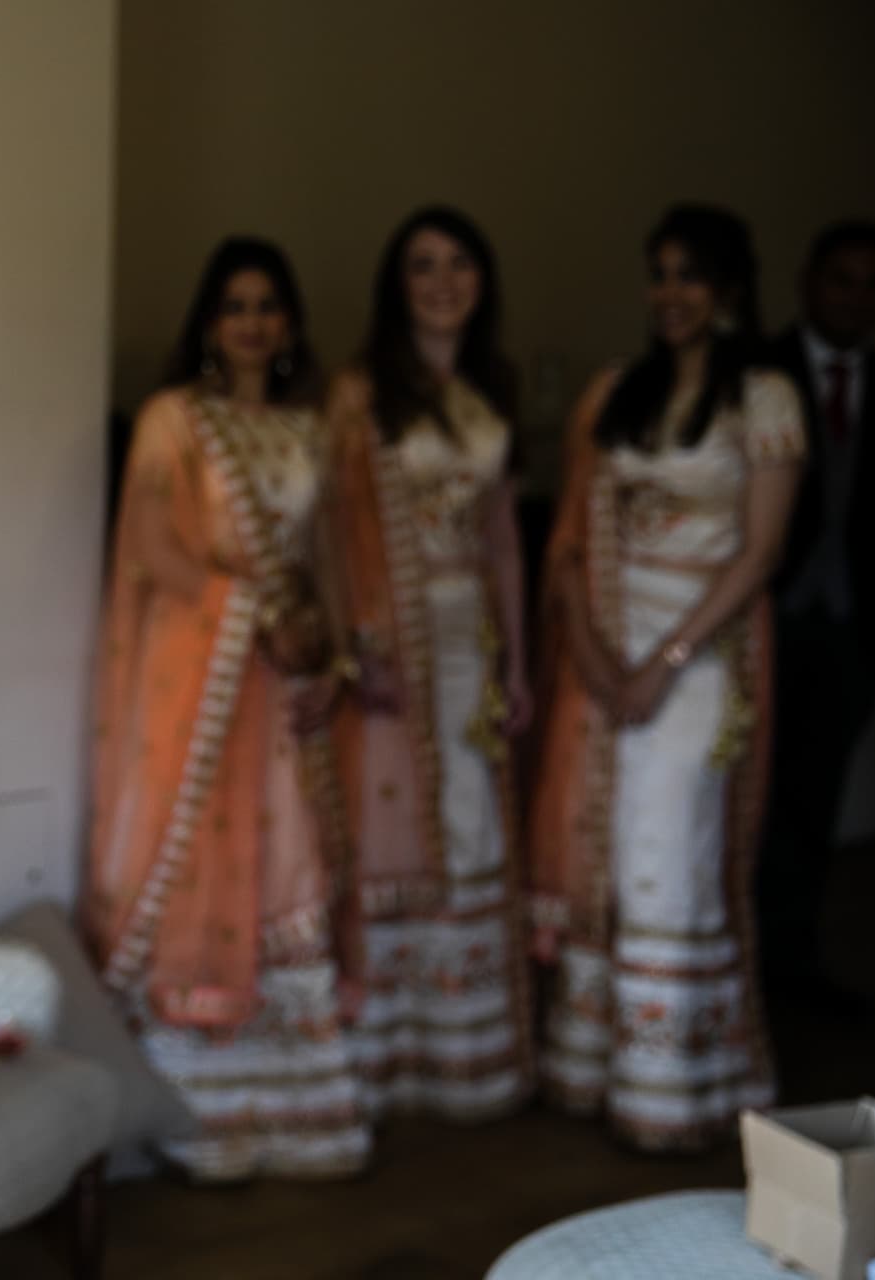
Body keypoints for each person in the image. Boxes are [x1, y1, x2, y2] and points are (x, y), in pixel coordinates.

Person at [85, 237, 369, 1181]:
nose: (253, 321)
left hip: (287, 677)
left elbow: (326, 556)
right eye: (235, 304)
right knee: (204, 856)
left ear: (289, 323)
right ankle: (193, 1112)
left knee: (288, 857)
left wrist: (327, 652)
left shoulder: (309, 428)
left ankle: (293, 1116)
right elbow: (150, 548)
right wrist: (254, 616)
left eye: (269, 305)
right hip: (207, 685)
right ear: (210, 322)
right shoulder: (175, 420)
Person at [530, 204, 802, 1149]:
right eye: (659, 274)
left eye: (691, 275)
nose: (671, 295)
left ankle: (675, 1089)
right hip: (611, 652)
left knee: (670, 854)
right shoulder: (617, 394)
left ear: (729, 287)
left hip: (703, 656)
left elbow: (762, 553)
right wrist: (605, 663)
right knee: (605, 851)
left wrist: (666, 662)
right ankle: (599, 1067)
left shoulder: (764, 399)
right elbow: (567, 544)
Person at [325, 207, 534, 1121]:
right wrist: (352, 646)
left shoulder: (493, 389)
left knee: (471, 821)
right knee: (388, 828)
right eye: (421, 266)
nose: (442, 282)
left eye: (459, 264)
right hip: (388, 638)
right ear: (395, 285)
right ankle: (381, 1059)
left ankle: (464, 1057)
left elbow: (503, 542)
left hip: (469, 640)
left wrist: (519, 665)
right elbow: (330, 532)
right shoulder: (362, 394)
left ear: (482, 280)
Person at [759, 220, 875, 998]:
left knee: (816, 798)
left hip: (850, 624)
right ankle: (737, 964)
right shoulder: (758, 373)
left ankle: (795, 962)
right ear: (809, 282)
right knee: (749, 799)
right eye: (843, 279)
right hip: (764, 618)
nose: (857, 296)